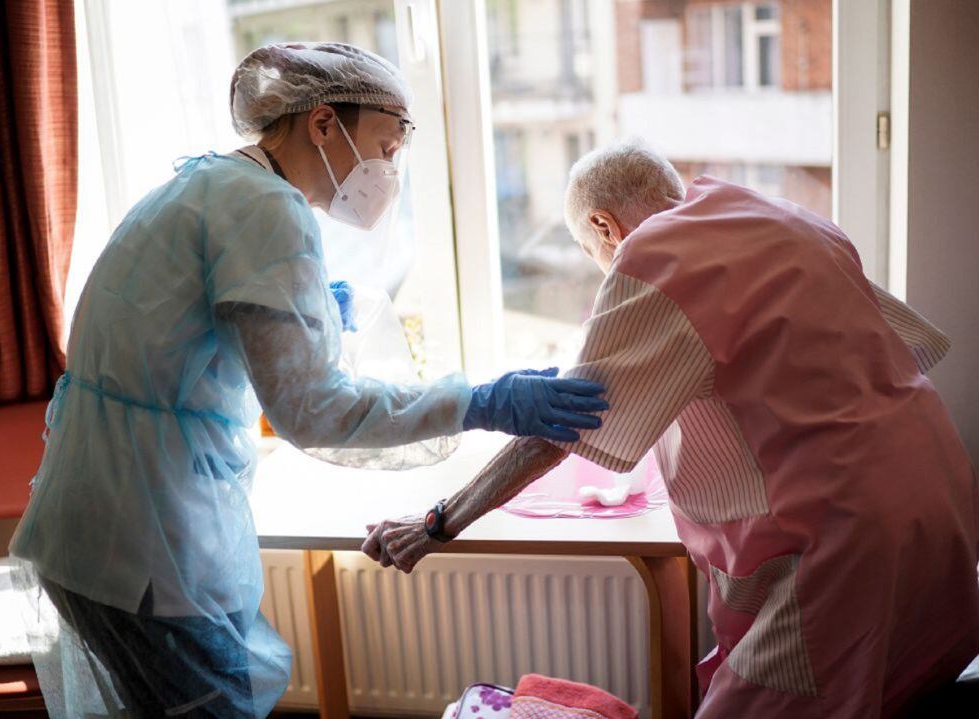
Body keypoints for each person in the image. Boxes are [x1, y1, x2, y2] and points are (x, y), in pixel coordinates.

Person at [8, 43, 608, 719]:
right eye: (386, 146)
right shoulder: (264, 207)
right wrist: (481, 401)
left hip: (101, 519)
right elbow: (314, 409)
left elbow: (194, 332)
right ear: (322, 124)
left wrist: (317, 308)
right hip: (139, 541)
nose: (389, 171)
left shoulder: (210, 185)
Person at [363, 140, 979, 717]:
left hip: (846, 533)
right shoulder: (783, 218)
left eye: (593, 253)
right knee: (892, 691)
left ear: (604, 228)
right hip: (935, 493)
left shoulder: (655, 257)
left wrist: (435, 524)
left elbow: (559, 430)